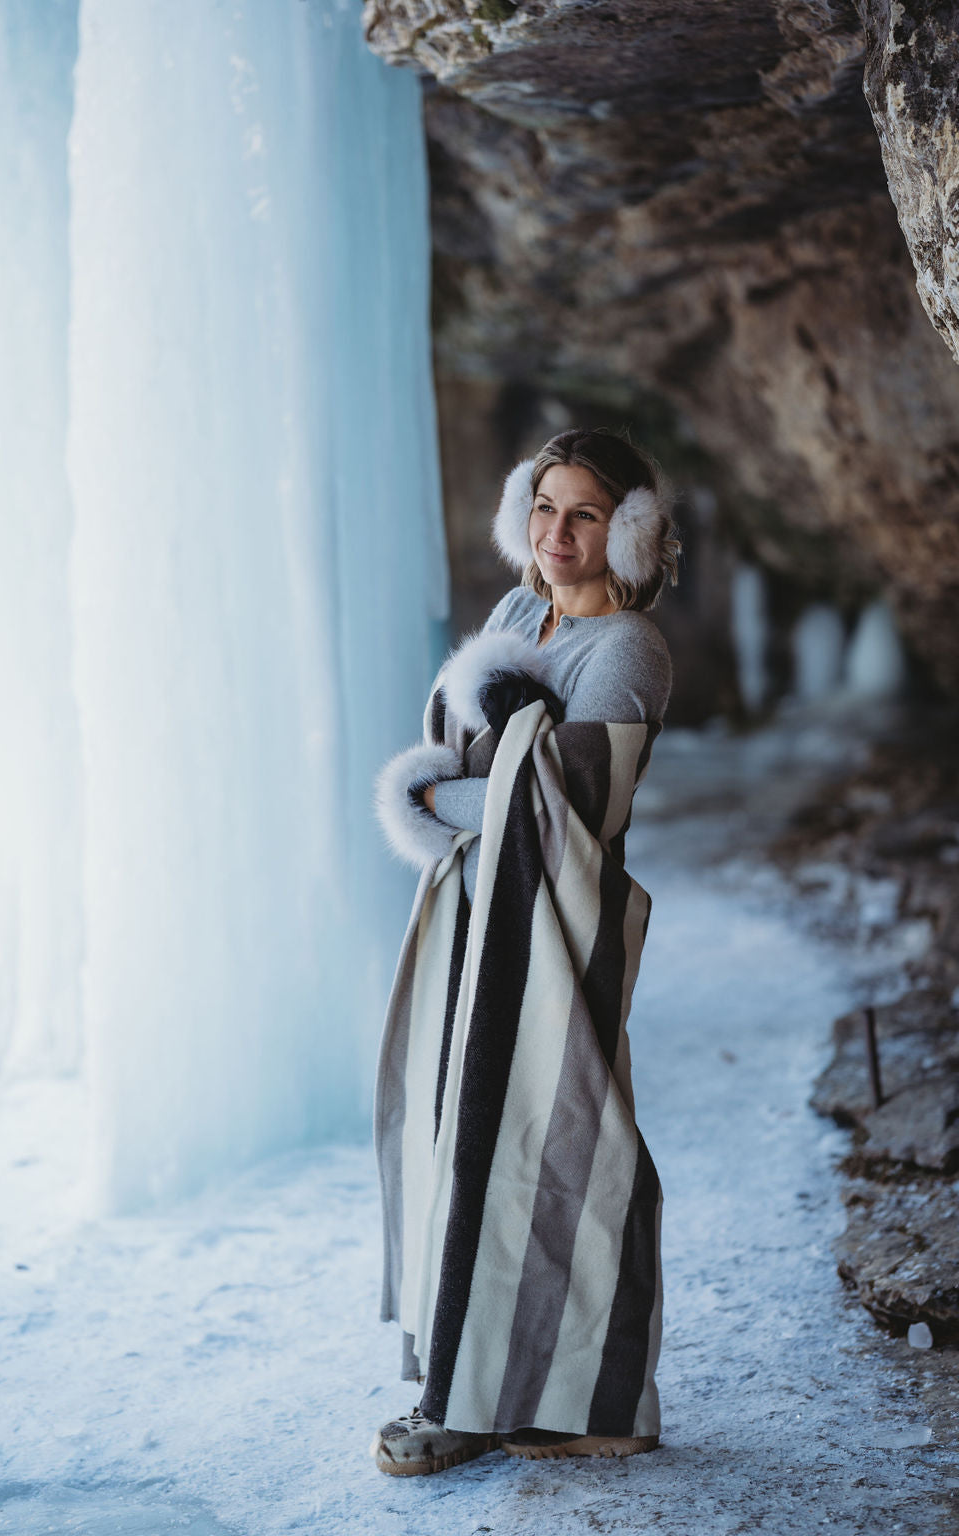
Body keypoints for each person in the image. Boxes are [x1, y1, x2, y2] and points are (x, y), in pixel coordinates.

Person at [371, 427, 681, 1476]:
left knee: (565, 1154)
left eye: (586, 513)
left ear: (626, 529)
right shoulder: (515, 615)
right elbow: (494, 777)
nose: (558, 532)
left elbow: (570, 807)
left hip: (560, 934)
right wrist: (476, 789)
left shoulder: (628, 650)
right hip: (474, 921)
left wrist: (429, 792)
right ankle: (459, 1382)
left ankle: (568, 1388)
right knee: (466, 1145)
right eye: (544, 507)